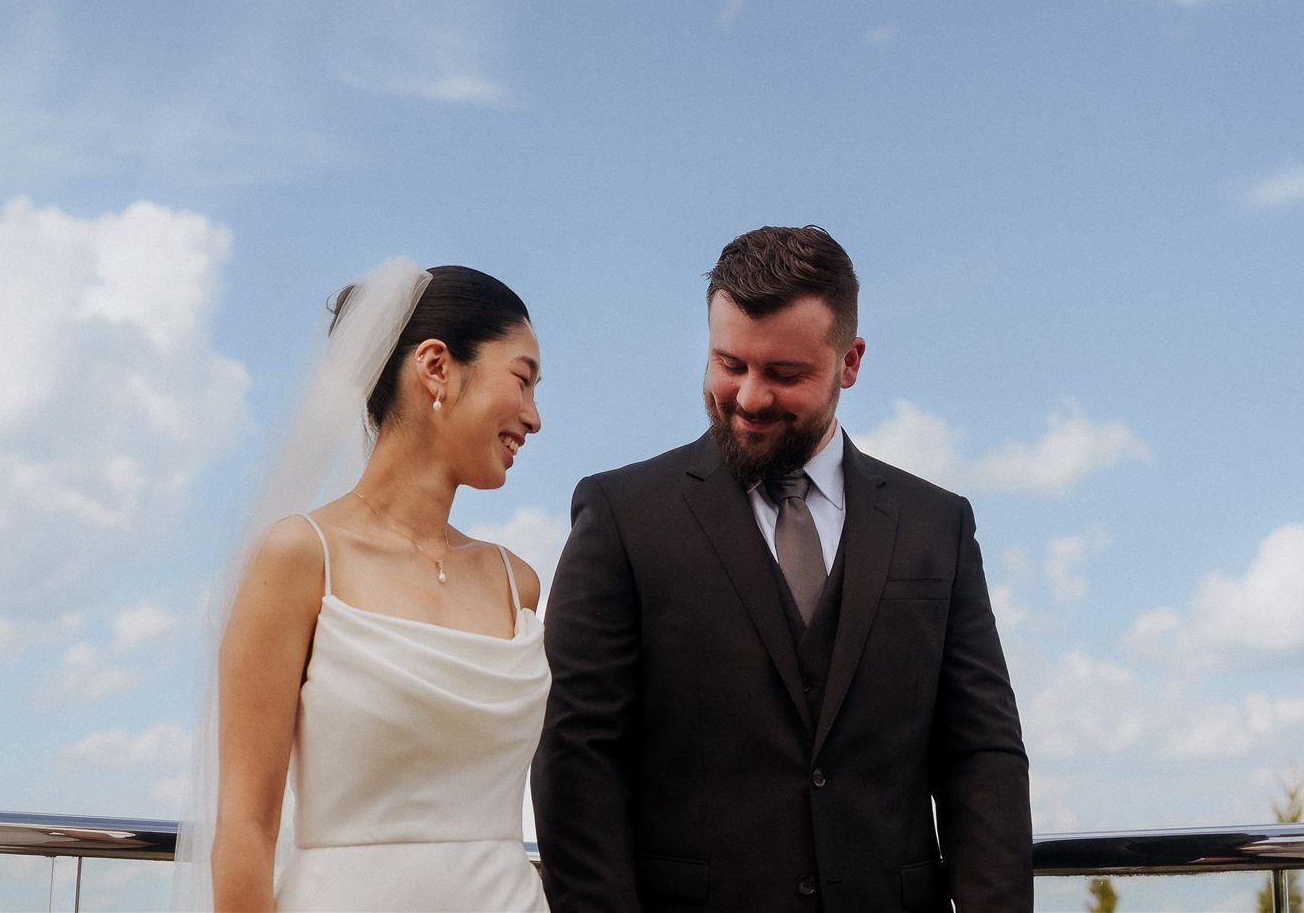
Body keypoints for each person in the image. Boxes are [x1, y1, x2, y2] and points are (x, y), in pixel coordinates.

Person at [532, 226, 1032, 913]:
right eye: (728, 363)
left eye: (785, 374)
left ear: (850, 361)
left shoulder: (936, 524)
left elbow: (983, 756)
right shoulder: (622, 515)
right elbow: (576, 758)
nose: (748, 397)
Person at [174, 260, 550, 912]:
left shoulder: (515, 582)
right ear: (437, 366)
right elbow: (246, 828)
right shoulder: (300, 557)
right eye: (522, 378)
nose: (535, 416)